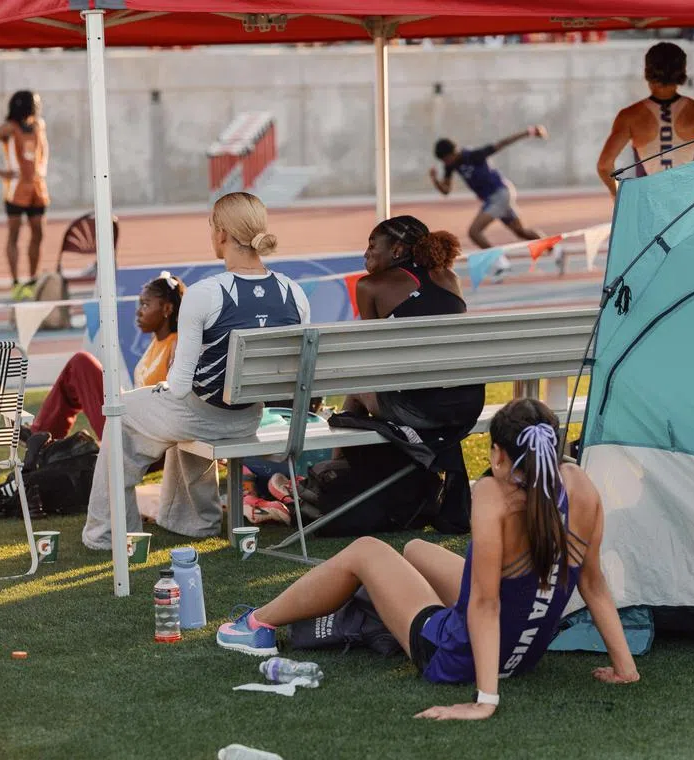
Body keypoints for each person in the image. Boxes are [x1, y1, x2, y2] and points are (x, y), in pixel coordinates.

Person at [216, 399, 639, 720]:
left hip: (453, 656)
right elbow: (594, 584)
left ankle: (256, 626)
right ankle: (381, 600)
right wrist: (625, 669)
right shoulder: (581, 486)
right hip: (525, 655)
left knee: (368, 550)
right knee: (416, 551)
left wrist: (484, 702)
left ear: (497, 456)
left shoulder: (494, 494)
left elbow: (486, 605)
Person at [81, 192, 310, 547]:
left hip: (203, 414)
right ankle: (191, 520)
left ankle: (108, 532)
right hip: (249, 417)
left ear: (221, 233)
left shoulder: (205, 293)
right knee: (176, 414)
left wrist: (153, 393)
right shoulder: (294, 293)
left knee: (121, 412)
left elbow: (180, 385)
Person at [346, 215, 484, 430]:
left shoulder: (369, 286)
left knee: (356, 387)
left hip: (418, 409)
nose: (366, 254)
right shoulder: (450, 277)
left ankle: (340, 462)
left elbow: (372, 355)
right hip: (469, 403)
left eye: (372, 246)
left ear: (397, 250)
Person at [28, 273, 185, 441]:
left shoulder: (177, 345)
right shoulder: (156, 342)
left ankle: (39, 436)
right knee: (77, 370)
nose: (138, 312)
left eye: (145, 305)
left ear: (167, 309)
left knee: (82, 363)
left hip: (143, 434)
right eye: (139, 305)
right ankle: (40, 437)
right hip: (135, 420)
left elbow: (175, 401)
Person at [597, 42, 694, 197]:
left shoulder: (630, 116)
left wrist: (620, 197)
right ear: (682, 71)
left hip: (649, 206)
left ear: (647, 70)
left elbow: (604, 166)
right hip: (689, 204)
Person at [0, 90, 50, 298]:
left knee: (38, 234)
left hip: (37, 187)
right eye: (35, 102)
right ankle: (16, 282)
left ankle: (33, 279)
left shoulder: (39, 125)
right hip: (16, 189)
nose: (38, 105)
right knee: (14, 234)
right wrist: (0, 171)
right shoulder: (9, 128)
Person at [430, 126, 548, 250]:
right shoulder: (450, 166)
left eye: (447, 159)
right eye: (443, 161)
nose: (446, 163)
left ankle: (497, 261)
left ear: (454, 152)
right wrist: (435, 180)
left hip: (500, 193)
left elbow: (502, 143)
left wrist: (529, 132)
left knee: (474, 232)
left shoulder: (473, 155)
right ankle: (553, 248)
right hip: (492, 199)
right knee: (520, 232)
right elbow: (446, 191)